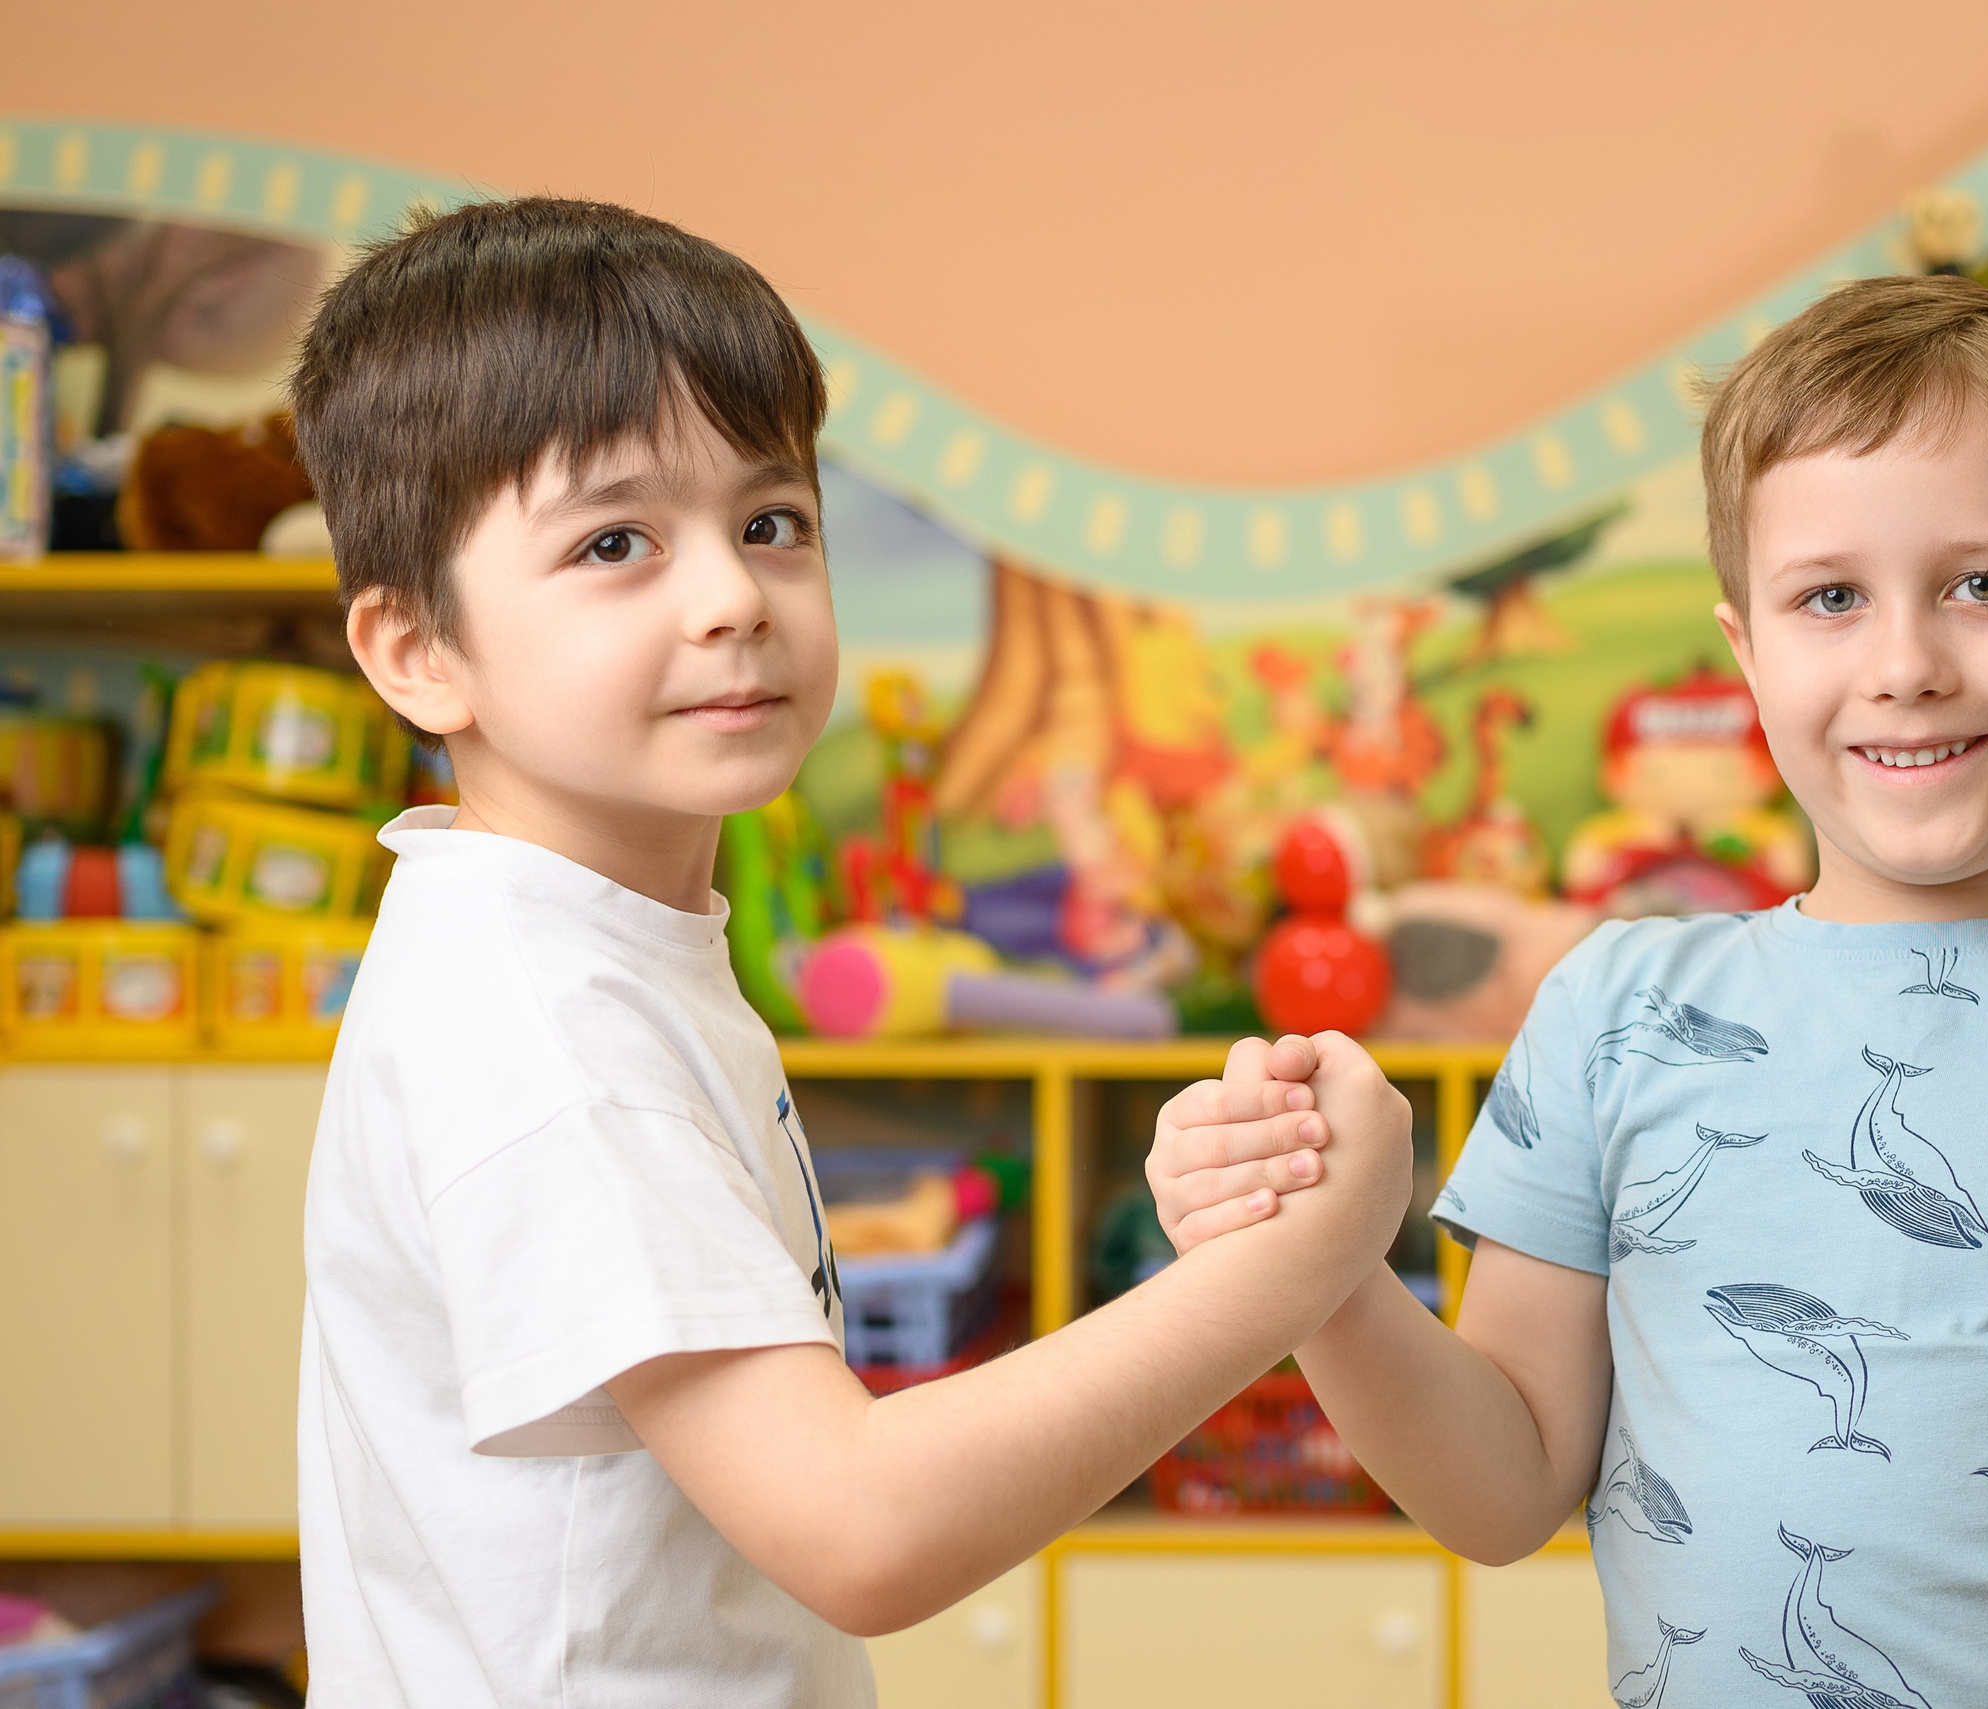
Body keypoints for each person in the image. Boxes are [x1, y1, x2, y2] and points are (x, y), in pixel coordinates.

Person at [1150, 275, 1988, 1706]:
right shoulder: (1616, 1011)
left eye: (1986, 584)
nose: (1907, 664)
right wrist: (1320, 1266)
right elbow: (1503, 1488)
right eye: (1831, 596)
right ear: (1747, 653)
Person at [293, 196, 1412, 1708]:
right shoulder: (543, 1023)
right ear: (419, 651)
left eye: (771, 523)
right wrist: (1288, 1275)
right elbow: (859, 1522)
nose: (733, 597)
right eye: (615, 541)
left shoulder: (583, 945)